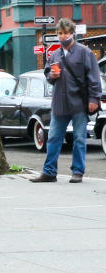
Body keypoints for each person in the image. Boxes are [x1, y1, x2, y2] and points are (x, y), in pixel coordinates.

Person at [30, 18, 101, 184]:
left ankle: (77, 171)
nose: (63, 36)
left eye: (66, 33)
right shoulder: (55, 53)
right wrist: (51, 76)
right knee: (53, 137)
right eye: (60, 33)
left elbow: (94, 78)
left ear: (72, 33)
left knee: (79, 138)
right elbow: (48, 74)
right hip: (60, 103)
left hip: (78, 103)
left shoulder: (85, 52)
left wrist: (94, 98)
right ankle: (49, 172)